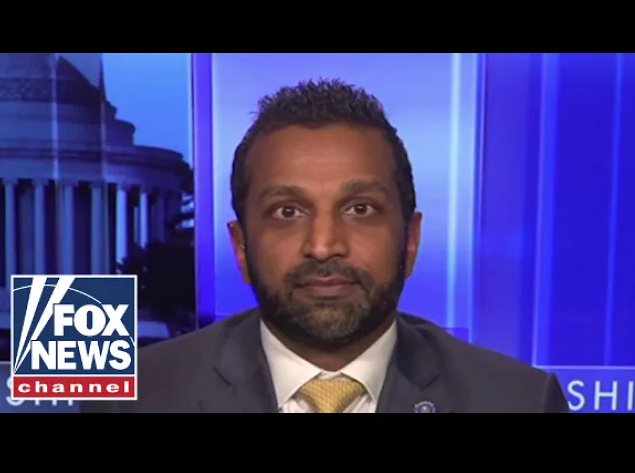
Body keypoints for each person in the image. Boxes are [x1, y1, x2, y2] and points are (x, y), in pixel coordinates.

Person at [80, 79, 569, 413]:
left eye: (360, 209)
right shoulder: (137, 400)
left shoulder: (518, 401)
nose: (323, 245)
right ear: (241, 247)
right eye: (287, 212)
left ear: (411, 239)